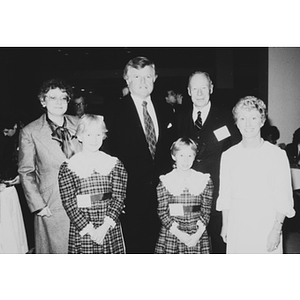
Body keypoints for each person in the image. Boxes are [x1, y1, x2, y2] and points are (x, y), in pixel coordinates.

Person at [106, 56, 175, 253]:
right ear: (127, 80)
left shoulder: (167, 110)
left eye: (147, 76)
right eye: (137, 77)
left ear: (155, 78)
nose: (143, 82)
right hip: (131, 199)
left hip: (164, 198)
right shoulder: (114, 111)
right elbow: (108, 156)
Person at [216, 96, 295, 254]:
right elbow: (225, 195)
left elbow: (283, 196)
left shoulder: (276, 155)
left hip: (266, 223)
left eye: (253, 118)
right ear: (237, 122)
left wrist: (276, 230)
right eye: (242, 118)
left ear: (262, 120)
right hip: (238, 224)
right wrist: (226, 224)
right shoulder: (229, 155)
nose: (248, 124)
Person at [176, 71, 241, 253]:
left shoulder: (226, 117)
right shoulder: (179, 118)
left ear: (211, 88)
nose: (199, 93)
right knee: (189, 244)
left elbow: (236, 151)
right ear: (188, 91)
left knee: (220, 242)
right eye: (195, 89)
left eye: (203, 88)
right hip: (187, 194)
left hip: (218, 193)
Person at [18, 78, 80, 254]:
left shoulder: (81, 123)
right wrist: (38, 205)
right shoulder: (30, 131)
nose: (59, 102)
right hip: (52, 204)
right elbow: (26, 171)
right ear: (43, 101)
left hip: (85, 200)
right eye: (53, 97)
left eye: (64, 97)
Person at [58, 115, 127, 254]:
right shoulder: (69, 167)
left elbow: (119, 197)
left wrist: (105, 227)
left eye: (98, 134)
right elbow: (69, 203)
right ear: (80, 136)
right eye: (89, 134)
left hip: (108, 226)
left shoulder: (113, 163)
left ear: (103, 136)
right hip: (84, 229)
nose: (94, 139)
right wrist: (90, 230)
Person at [155, 137, 213, 254]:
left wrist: (198, 234)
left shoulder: (204, 180)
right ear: (173, 156)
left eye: (190, 156)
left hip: (196, 233)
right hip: (173, 233)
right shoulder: (166, 181)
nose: (186, 160)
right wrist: (178, 233)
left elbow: (206, 211)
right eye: (181, 156)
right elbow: (162, 211)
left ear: (194, 156)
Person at [0, 114, 28, 253]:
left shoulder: (25, 138)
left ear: (15, 127)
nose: (5, 134)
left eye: (7, 131)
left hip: (23, 186)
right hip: (10, 185)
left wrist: (21, 177)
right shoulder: (8, 140)